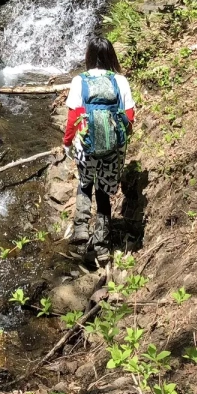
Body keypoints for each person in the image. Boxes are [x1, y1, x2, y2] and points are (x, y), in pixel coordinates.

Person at [63, 36, 135, 259]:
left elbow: (73, 117)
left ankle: (80, 232)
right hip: (112, 147)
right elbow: (129, 116)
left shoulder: (79, 81)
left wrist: (67, 142)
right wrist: (118, 139)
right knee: (103, 191)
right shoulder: (120, 80)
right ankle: (102, 246)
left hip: (86, 145)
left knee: (85, 183)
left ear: (89, 56)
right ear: (111, 55)